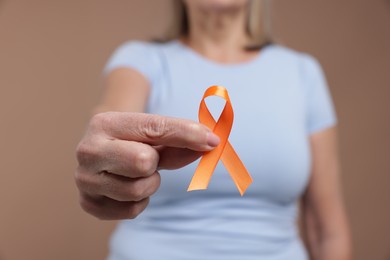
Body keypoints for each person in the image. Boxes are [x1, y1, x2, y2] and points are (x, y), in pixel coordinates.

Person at [75, 0, 352, 259]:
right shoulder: (141, 60)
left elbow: (328, 231)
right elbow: (112, 123)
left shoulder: (302, 72)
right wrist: (104, 153)